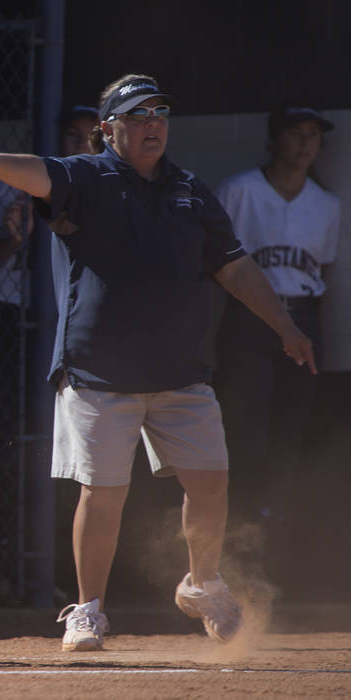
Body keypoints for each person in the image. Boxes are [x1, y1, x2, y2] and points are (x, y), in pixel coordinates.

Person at [0, 74, 316, 651]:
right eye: (138, 115)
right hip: (98, 373)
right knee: (103, 492)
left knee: (212, 482)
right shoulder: (85, 175)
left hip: (181, 373)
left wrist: (287, 327)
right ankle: (88, 610)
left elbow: (237, 268)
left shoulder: (191, 190)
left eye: (160, 115)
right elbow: (38, 171)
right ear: (107, 129)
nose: (153, 126)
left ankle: (202, 584)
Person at [0, 104, 98, 604]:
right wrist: (12, 240)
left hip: (70, 333)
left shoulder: (101, 190)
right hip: (8, 323)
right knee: (2, 451)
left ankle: (58, 572)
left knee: (65, 458)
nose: (80, 144)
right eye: (71, 135)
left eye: (90, 137)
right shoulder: (14, 178)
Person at [213, 103, 340, 561]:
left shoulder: (326, 204)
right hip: (247, 319)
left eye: (313, 135)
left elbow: (322, 267)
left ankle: (274, 531)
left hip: (303, 317)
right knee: (245, 426)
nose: (305, 143)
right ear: (273, 140)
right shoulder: (240, 190)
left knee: (290, 428)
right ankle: (238, 526)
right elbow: (214, 261)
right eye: (295, 133)